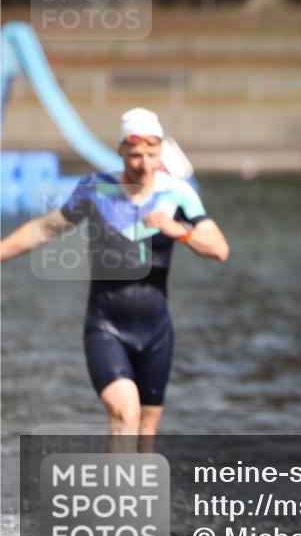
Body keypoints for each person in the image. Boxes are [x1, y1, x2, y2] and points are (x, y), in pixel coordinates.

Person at [0, 108, 229, 445]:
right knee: (125, 414)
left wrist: (178, 230)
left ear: (161, 151)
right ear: (120, 150)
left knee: (146, 433)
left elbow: (219, 249)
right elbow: (45, 228)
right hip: (106, 326)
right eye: (135, 154)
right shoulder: (95, 191)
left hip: (156, 332)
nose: (144, 164)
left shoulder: (178, 195)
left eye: (152, 154)